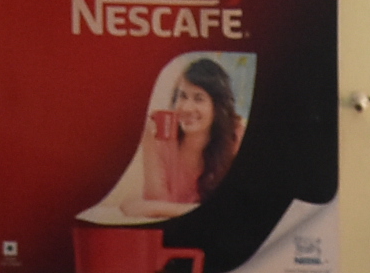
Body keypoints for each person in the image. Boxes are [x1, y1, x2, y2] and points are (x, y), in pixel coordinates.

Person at [80, 54, 246, 224]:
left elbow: (238, 206)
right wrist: (148, 141)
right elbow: (152, 206)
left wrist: (168, 208)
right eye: (182, 96)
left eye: (198, 98)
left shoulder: (236, 136)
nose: (186, 107)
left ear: (217, 106)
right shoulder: (161, 138)